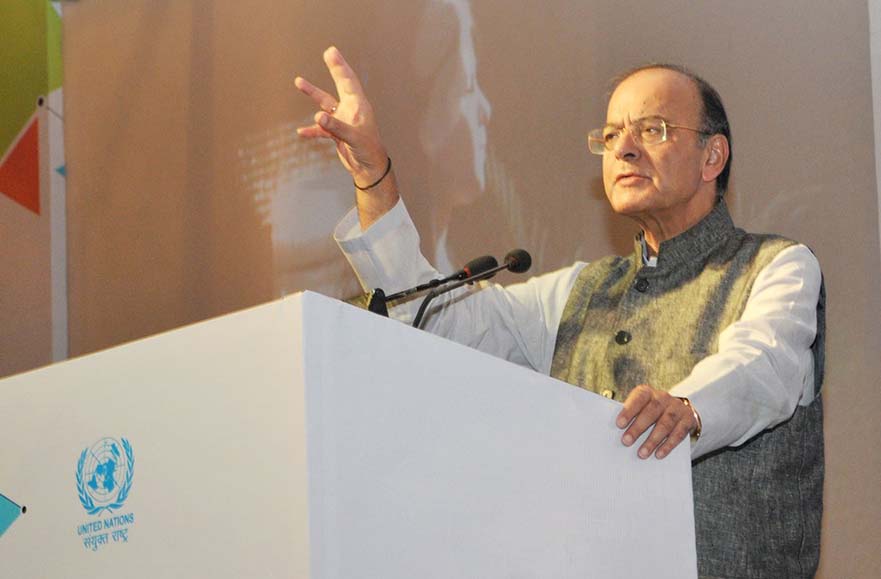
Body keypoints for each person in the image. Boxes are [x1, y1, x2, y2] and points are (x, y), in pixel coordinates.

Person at [295, 47, 824, 578]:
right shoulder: (578, 291)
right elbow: (434, 320)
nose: (625, 150)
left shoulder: (777, 266)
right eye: (612, 135)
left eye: (653, 129)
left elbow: (766, 365)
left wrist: (687, 406)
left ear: (713, 156)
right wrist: (372, 176)